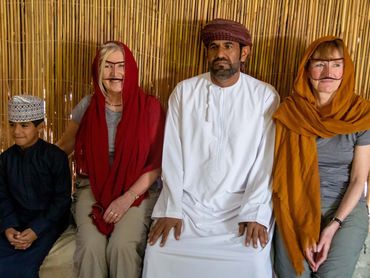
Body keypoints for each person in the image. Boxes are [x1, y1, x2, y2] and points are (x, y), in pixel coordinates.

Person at [143, 18, 280, 278]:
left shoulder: (264, 96)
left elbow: (266, 161)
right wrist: (172, 208)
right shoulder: (184, 92)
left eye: (228, 46)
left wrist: (255, 212)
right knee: (159, 253)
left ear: (244, 52)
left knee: (252, 259)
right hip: (190, 206)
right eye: (213, 47)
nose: (220, 54)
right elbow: (171, 155)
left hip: (239, 206)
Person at [56, 41, 165, 278]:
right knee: (91, 248)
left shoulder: (150, 108)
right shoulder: (87, 106)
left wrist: (127, 198)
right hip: (93, 185)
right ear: (98, 70)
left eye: (121, 66)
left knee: (122, 247)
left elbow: (156, 164)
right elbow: (63, 147)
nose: (115, 73)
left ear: (132, 69)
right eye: (108, 66)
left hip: (137, 189)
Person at [273, 36, 370, 277]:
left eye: (337, 64)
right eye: (319, 64)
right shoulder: (290, 113)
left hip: (343, 211)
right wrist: (302, 223)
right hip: (295, 207)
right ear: (306, 70)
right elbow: (281, 174)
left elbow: (359, 178)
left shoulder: (361, 115)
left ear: (345, 70)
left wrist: (332, 226)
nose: (328, 72)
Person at [0, 95, 71, 277]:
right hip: (15, 222)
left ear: (40, 127)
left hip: (47, 223)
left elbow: (61, 201)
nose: (16, 131)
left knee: (22, 268)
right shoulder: (5, 159)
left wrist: (35, 230)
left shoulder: (56, 157)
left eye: (24, 125)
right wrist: (8, 227)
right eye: (12, 124)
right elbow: (2, 197)